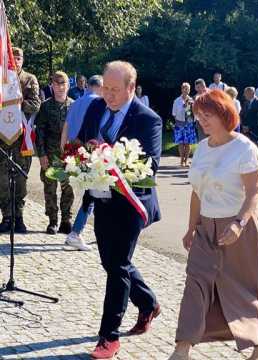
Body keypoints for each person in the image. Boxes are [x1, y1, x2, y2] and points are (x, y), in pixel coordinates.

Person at [168, 89, 258, 360]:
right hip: (207, 227)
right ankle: (183, 347)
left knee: (246, 287)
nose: (202, 121)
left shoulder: (244, 148)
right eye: (199, 116)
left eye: (208, 115)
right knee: (195, 282)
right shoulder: (202, 148)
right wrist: (191, 227)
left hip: (242, 226)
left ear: (224, 114)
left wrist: (239, 223)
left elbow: (254, 193)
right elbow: (197, 191)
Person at [76, 61, 162, 360]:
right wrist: (85, 156)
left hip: (131, 203)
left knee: (118, 266)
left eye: (114, 90)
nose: (108, 95)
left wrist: (111, 157)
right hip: (101, 199)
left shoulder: (147, 119)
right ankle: (148, 303)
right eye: (105, 89)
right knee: (112, 263)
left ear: (130, 88)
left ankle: (108, 337)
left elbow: (150, 166)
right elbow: (83, 143)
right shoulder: (96, 108)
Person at [0, 47, 41, 234]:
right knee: (2, 179)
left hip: (21, 139)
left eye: (19, 58)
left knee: (21, 178)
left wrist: (17, 101)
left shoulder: (29, 79)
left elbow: (35, 105)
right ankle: (6, 216)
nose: (16, 61)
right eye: (13, 57)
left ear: (23, 60)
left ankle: (19, 217)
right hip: (2, 138)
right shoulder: (1, 78)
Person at [60, 75, 103, 251]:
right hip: (96, 152)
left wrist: (63, 151)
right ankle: (76, 233)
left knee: (93, 194)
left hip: (76, 153)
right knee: (95, 195)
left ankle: (79, 232)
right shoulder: (100, 103)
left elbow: (66, 127)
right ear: (100, 88)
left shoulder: (76, 102)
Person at [35, 71, 74, 235]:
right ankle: (52, 221)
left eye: (63, 83)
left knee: (68, 188)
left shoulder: (74, 105)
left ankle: (66, 220)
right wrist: (42, 155)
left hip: (68, 155)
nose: (59, 87)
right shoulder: (45, 106)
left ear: (68, 85)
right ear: (52, 86)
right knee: (50, 189)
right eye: (56, 84)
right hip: (50, 154)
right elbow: (40, 133)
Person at [172, 82, 197, 167]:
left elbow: (195, 113)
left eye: (187, 89)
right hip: (179, 123)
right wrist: (179, 122)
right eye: (184, 88)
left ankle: (186, 161)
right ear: (181, 89)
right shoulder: (177, 101)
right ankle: (181, 160)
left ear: (189, 90)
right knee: (181, 143)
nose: (186, 90)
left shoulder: (192, 101)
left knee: (188, 144)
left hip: (189, 124)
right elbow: (174, 113)